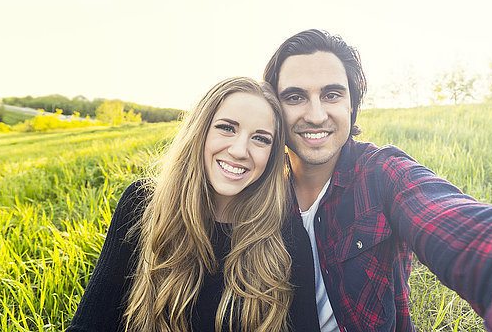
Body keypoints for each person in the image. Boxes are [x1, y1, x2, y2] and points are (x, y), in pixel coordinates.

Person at [263, 29, 492, 332]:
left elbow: (462, 226)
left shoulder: (382, 174)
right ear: (274, 108)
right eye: (295, 97)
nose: (315, 115)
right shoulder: (259, 190)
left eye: (332, 95)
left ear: (351, 105)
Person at [67, 77, 320, 332]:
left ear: (272, 154)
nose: (240, 150)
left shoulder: (287, 236)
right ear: (200, 130)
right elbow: (90, 324)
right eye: (227, 128)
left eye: (261, 138)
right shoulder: (142, 204)